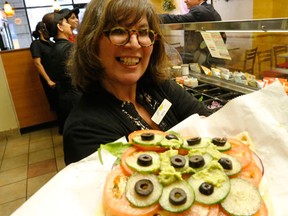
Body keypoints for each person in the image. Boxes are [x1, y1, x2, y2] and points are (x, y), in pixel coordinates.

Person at [63, 0, 212, 165]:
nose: (134, 43)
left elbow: (210, 124)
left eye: (143, 32)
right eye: (119, 30)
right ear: (91, 42)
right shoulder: (84, 131)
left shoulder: (161, 87)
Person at [42, 12, 81, 134]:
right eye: (66, 22)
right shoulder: (70, 48)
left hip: (64, 98)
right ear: (60, 27)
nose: (69, 25)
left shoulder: (53, 49)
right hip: (76, 97)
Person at [159, 0, 226, 66]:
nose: (185, 1)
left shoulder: (199, 10)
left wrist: (156, 17)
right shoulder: (211, 9)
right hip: (215, 58)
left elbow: (178, 19)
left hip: (205, 60)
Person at [29, 21, 58, 112]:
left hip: (58, 76)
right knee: (56, 104)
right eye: (46, 29)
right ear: (40, 31)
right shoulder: (36, 44)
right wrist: (48, 80)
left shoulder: (52, 43)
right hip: (49, 78)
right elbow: (37, 63)